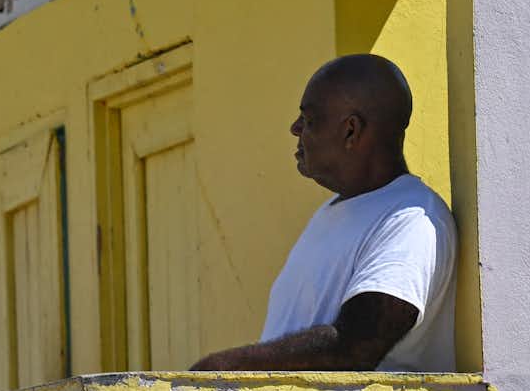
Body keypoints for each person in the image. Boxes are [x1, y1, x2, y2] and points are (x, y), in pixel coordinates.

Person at [191, 54, 455, 372]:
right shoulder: (331, 213)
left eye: (310, 119)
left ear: (350, 132)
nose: (295, 128)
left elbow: (355, 348)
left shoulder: (412, 220)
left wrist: (223, 367)